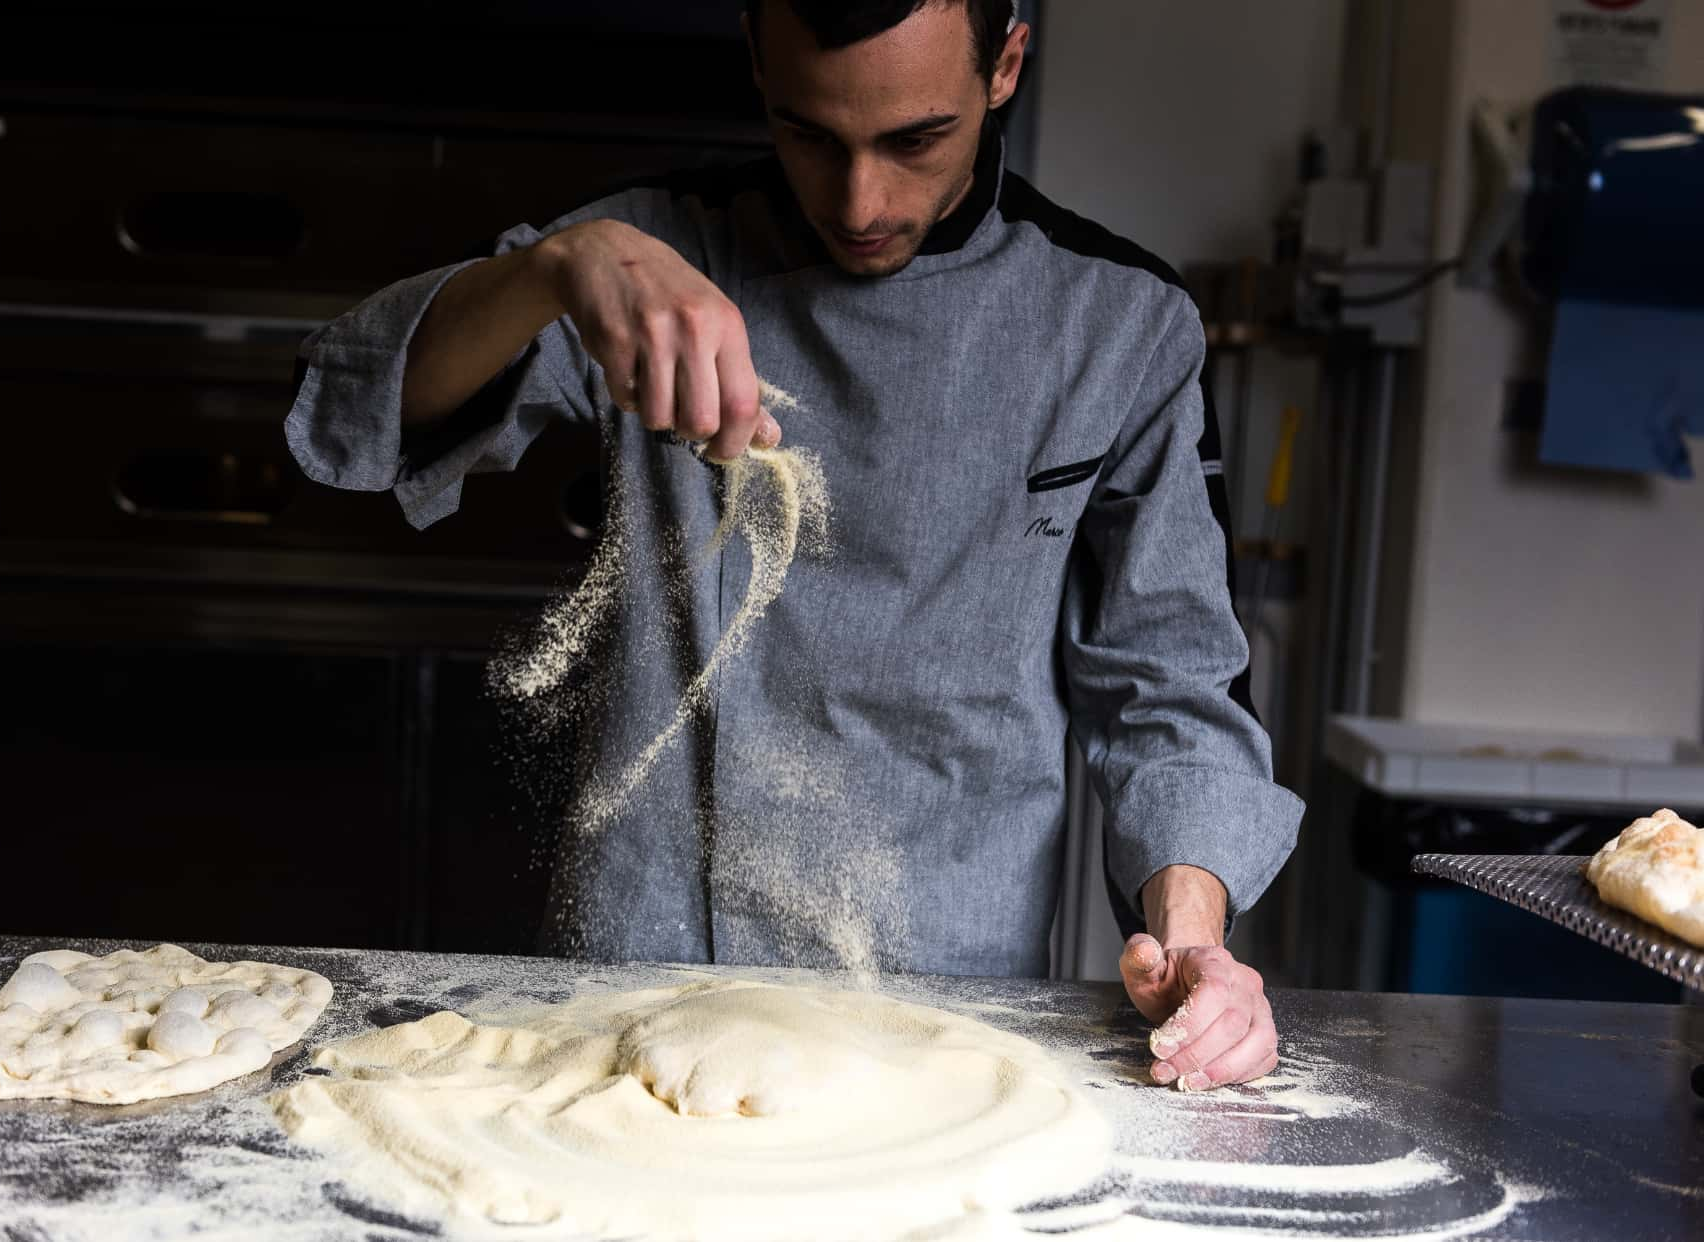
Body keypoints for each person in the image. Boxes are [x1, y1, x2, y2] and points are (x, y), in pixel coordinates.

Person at [285, 0, 1305, 1089]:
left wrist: (1195, 939)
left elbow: (1172, 684)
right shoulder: (654, 259)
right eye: (810, 136)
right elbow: (351, 418)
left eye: (914, 140)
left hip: (938, 1008)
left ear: (1004, 65)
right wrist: (552, 273)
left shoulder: (1120, 324)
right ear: (759, 71)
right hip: (635, 982)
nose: (860, 202)